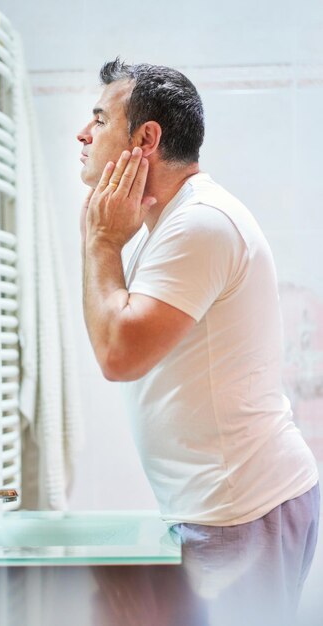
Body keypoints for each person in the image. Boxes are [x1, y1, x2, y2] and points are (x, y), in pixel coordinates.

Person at [77, 58, 320, 625]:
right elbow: (111, 330)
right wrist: (106, 235)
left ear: (146, 138)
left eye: (98, 119)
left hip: (241, 509)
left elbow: (118, 354)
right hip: (225, 507)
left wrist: (101, 242)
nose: (83, 134)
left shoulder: (200, 223)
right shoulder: (160, 225)